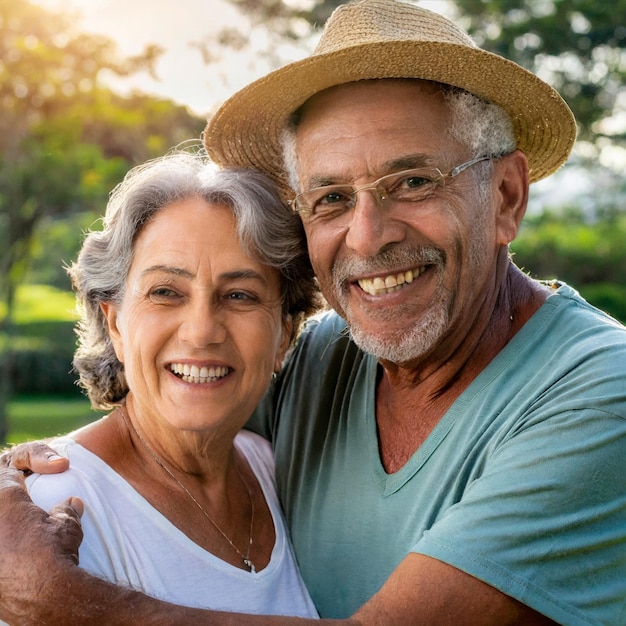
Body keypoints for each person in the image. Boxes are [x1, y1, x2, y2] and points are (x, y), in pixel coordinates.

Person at [1, 1, 625, 624]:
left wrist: (72, 603)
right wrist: (17, 478)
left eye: (412, 181)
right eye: (330, 198)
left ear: (507, 196)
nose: (367, 236)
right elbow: (173, 405)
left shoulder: (598, 394)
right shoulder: (323, 356)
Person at [12, 149, 320, 619]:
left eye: (240, 295)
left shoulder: (271, 469)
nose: (201, 331)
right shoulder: (49, 516)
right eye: (165, 293)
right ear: (114, 324)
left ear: (285, 335)